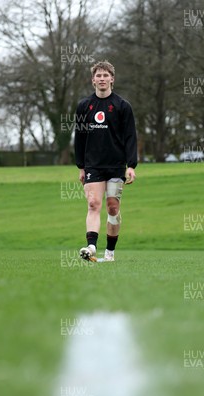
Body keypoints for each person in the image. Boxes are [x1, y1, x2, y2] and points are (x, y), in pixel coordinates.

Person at [74, 60, 137, 262]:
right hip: (93, 165)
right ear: (93, 80)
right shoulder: (84, 106)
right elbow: (80, 138)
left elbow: (130, 137)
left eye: (106, 75)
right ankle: (91, 247)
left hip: (116, 165)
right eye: (98, 75)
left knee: (112, 207)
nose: (102, 79)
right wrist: (81, 166)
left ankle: (109, 252)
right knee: (93, 204)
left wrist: (131, 166)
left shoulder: (122, 106)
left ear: (112, 79)